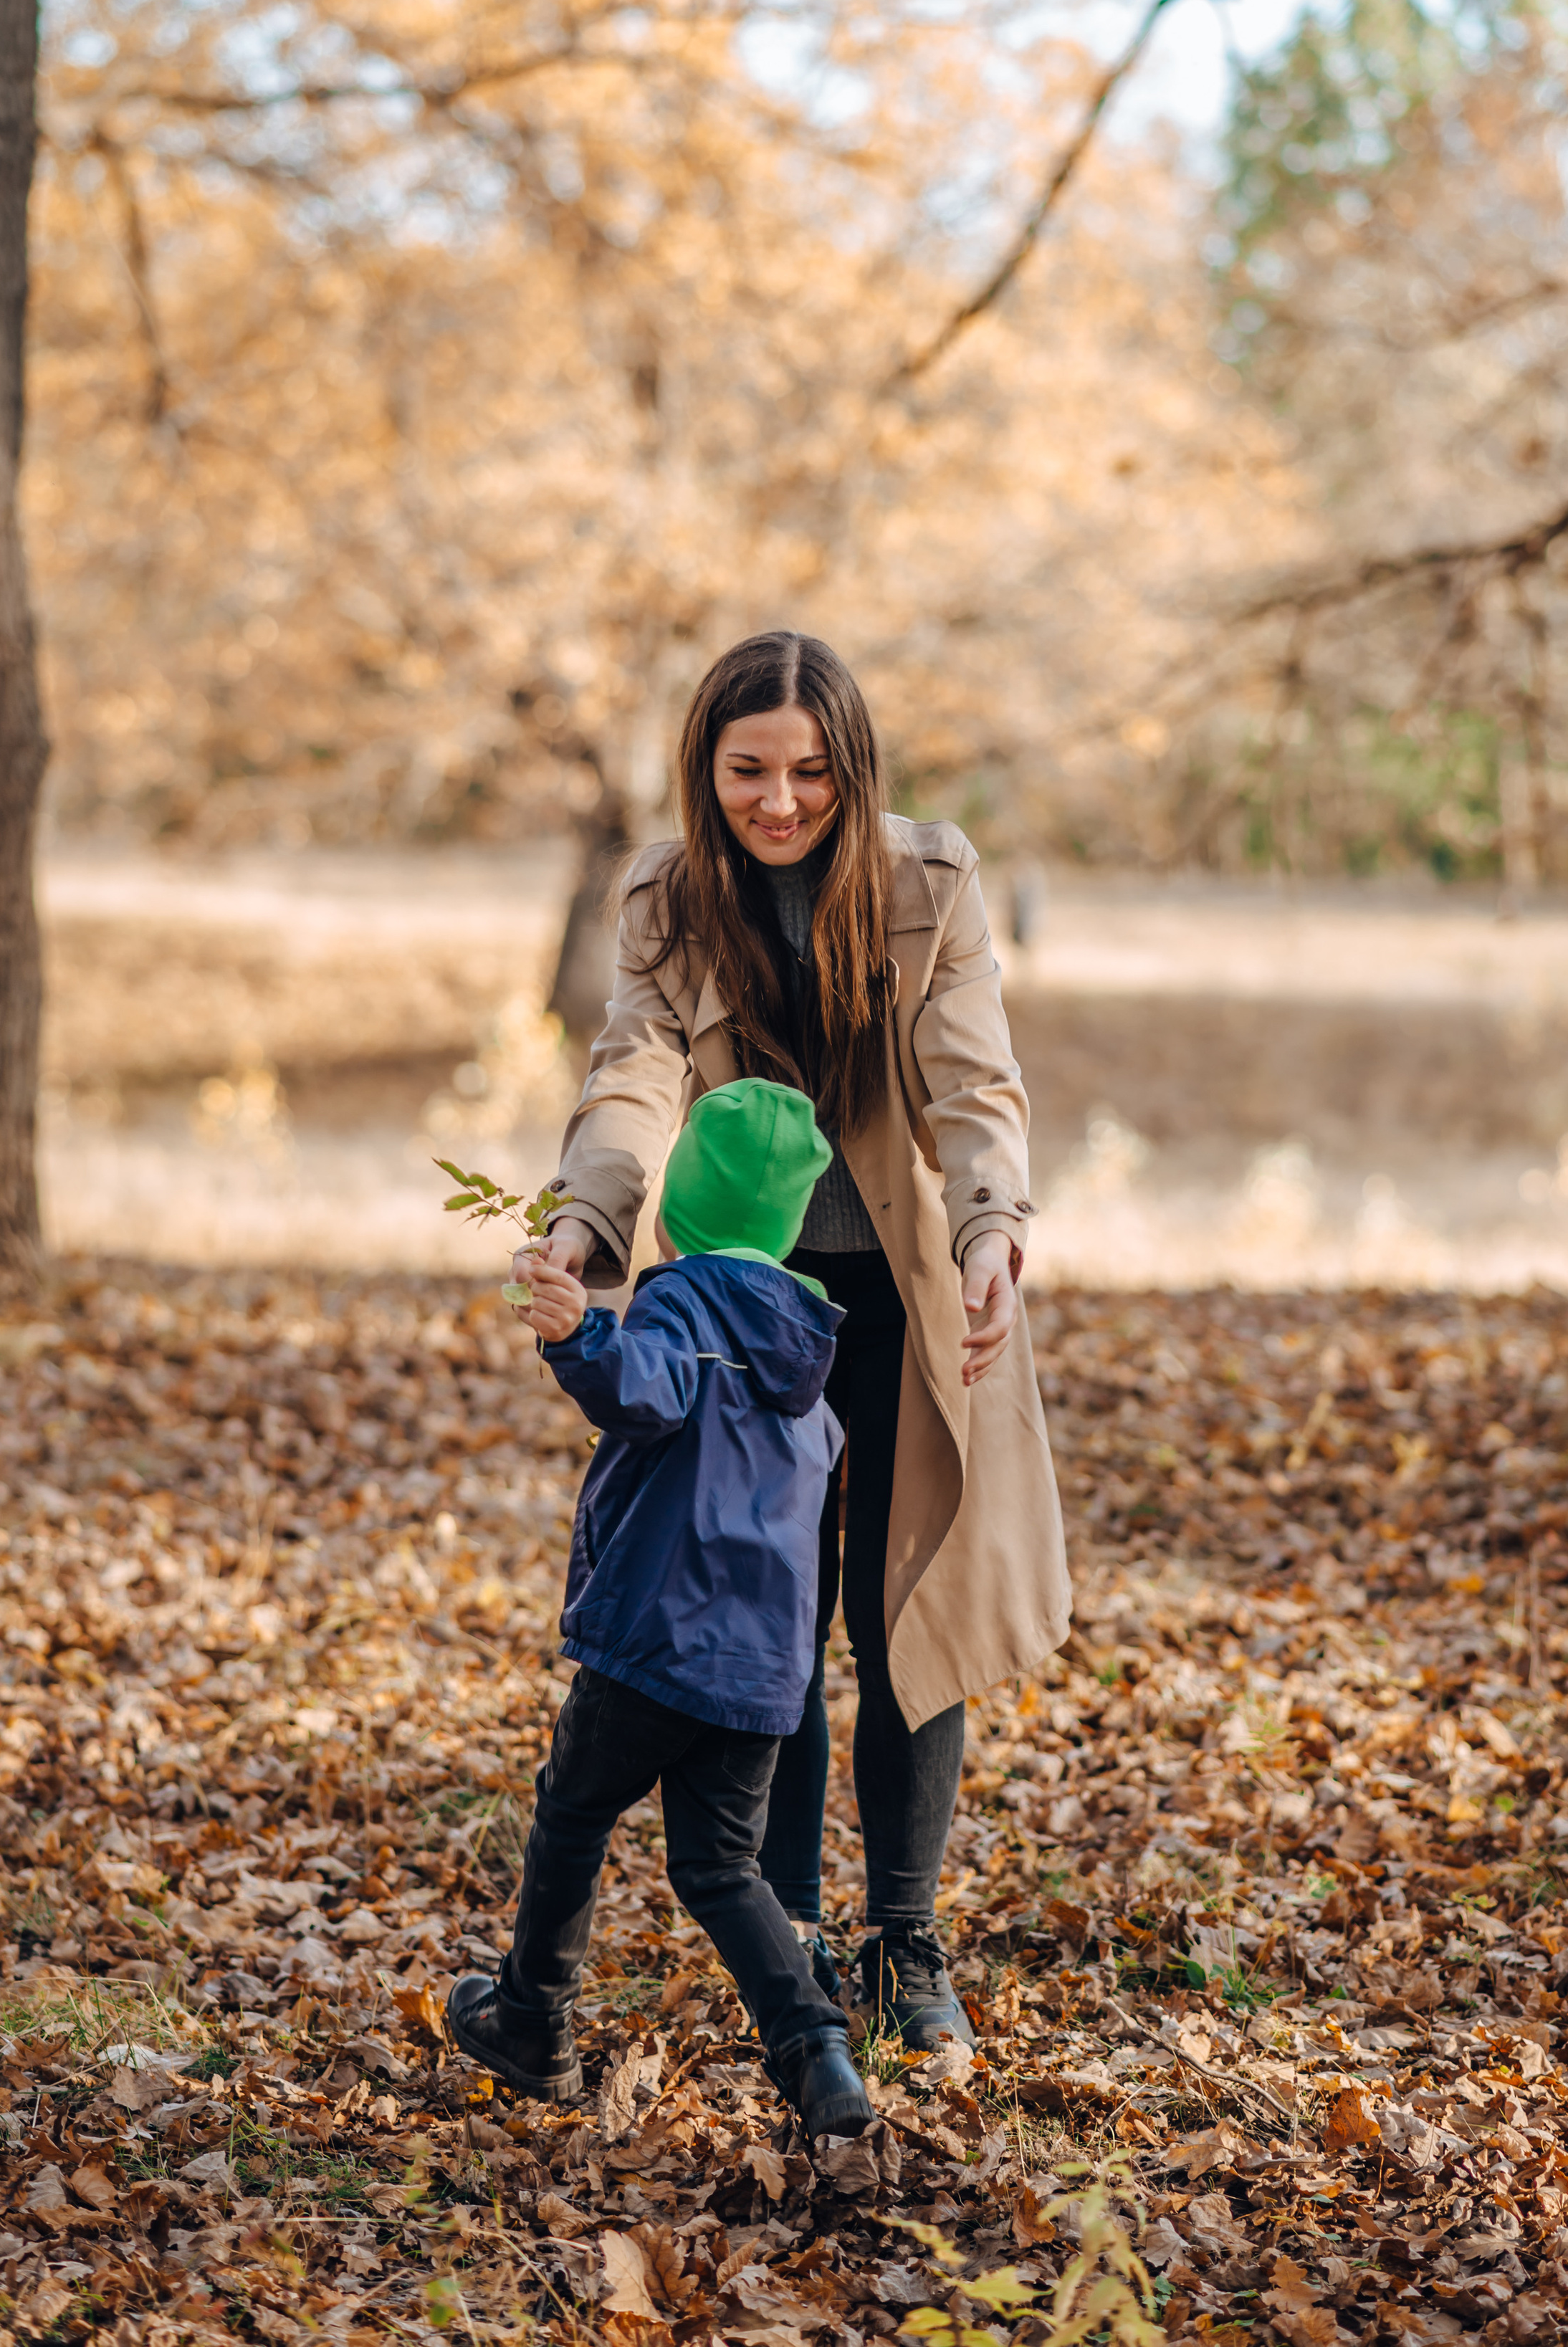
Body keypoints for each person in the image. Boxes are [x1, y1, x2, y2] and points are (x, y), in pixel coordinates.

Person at [523, 630, 1071, 2050]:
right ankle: (791, 1945)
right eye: (749, 770)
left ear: (852, 767)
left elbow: (973, 1085)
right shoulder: (668, 894)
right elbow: (632, 1068)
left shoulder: (925, 883)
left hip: (901, 1294)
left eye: (811, 772)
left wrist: (992, 1231)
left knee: (905, 1616)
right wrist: (585, 1222)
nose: (779, 801)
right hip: (741, 1315)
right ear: (705, 766)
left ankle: (902, 1940)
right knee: (758, 1621)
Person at [447, 1076, 874, 2138]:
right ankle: (821, 2057)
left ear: (675, 1211)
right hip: (761, 1677)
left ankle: (533, 2019)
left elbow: (645, 1386)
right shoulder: (803, 1348)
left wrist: (578, 1334)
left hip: (651, 1644)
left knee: (573, 1812)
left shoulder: (684, 1305)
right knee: (724, 1867)